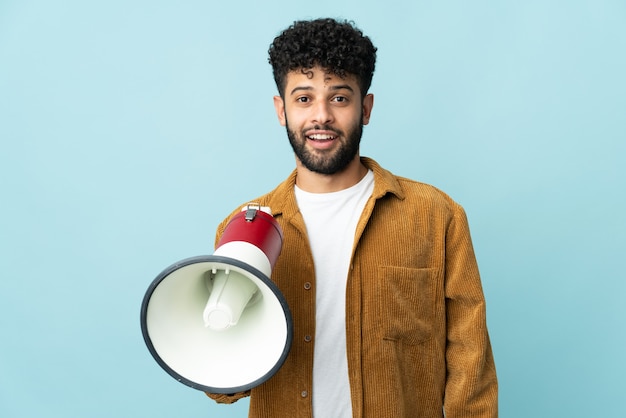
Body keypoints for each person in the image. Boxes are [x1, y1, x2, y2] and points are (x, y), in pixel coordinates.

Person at [206, 17, 498, 418]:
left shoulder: (436, 216)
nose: (321, 116)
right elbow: (223, 389)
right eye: (304, 98)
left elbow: (471, 363)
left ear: (366, 108)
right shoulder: (245, 227)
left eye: (339, 98)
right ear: (281, 110)